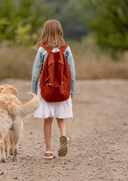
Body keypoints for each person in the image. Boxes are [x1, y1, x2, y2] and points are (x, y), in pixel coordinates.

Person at [31, 19, 75, 159]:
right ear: (60, 32)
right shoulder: (66, 49)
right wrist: (71, 91)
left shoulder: (42, 50)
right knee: (61, 119)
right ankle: (63, 136)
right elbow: (72, 73)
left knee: (48, 120)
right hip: (62, 90)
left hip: (46, 91)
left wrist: (34, 92)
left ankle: (49, 150)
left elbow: (35, 73)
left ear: (45, 32)